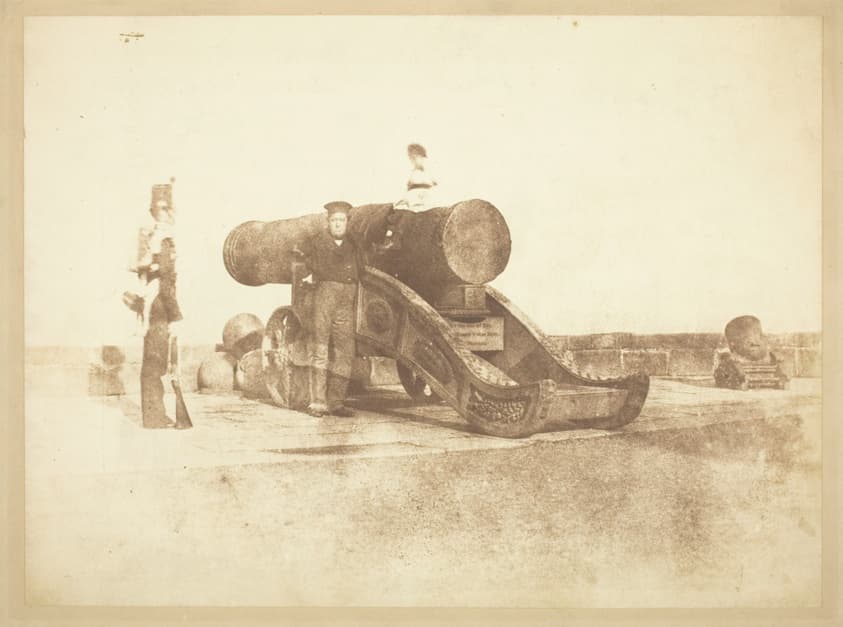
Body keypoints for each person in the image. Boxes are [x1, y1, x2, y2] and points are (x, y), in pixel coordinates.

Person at [297, 201, 361, 417]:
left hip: (346, 300)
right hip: (324, 297)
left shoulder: (353, 244)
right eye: (334, 220)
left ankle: (336, 402)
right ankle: (317, 403)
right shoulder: (316, 243)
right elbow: (300, 261)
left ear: (347, 222)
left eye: (341, 220)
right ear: (328, 222)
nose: (338, 224)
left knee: (345, 351)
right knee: (320, 349)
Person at [136, 181, 183, 428]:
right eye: (166, 210)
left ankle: (155, 414)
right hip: (160, 303)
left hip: (152, 302)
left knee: (154, 359)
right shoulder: (164, 239)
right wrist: (175, 315)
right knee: (156, 360)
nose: (169, 215)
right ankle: (154, 417)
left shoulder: (150, 237)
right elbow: (166, 282)